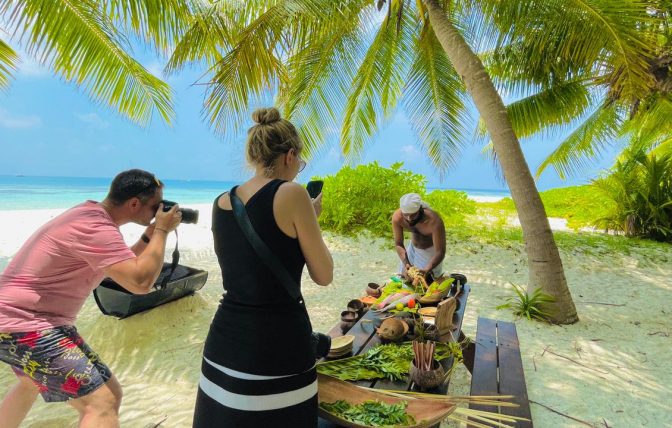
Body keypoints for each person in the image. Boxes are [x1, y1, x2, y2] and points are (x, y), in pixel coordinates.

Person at [0, 169, 182, 428]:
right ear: (133, 204)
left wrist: (148, 237)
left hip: (23, 321)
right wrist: (162, 231)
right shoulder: (94, 227)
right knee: (102, 402)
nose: (158, 212)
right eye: (155, 206)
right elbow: (140, 282)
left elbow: (117, 267)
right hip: (26, 323)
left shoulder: (90, 216)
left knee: (32, 384)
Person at [193, 107, 333, 427]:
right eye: (300, 161)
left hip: (223, 346)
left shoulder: (222, 202)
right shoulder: (293, 193)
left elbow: (248, 268)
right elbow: (323, 275)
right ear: (290, 155)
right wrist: (312, 220)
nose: (299, 168)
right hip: (276, 346)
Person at [392, 193, 446, 282]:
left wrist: (427, 269)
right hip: (412, 247)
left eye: (413, 215)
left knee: (425, 283)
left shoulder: (434, 220)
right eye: (406, 215)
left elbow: (440, 251)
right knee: (403, 279)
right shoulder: (398, 217)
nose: (409, 218)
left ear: (420, 209)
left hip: (430, 251)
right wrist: (407, 264)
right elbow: (398, 243)